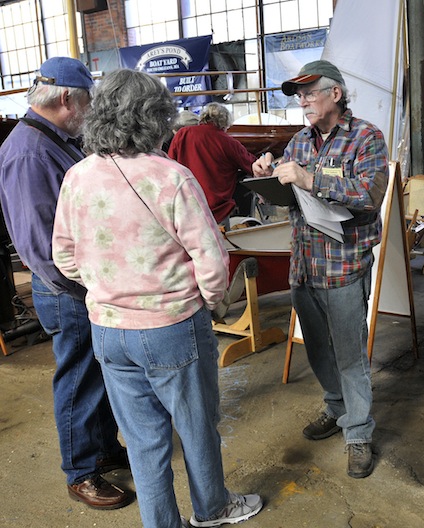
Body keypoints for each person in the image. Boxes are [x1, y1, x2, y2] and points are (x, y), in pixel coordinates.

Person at [51, 68, 263, 528]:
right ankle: (213, 509)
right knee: (196, 427)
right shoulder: (171, 177)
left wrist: (107, 286)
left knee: (143, 440)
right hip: (171, 326)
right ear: (156, 117)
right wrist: (209, 303)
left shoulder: (78, 176)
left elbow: (63, 258)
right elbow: (211, 258)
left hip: (108, 329)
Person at [0, 57, 133, 510]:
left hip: (80, 287)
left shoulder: (55, 140)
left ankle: (105, 449)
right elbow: (39, 246)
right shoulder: (31, 152)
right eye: (87, 102)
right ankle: (81, 472)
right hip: (66, 291)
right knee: (77, 381)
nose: (90, 110)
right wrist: (85, 290)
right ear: (65, 100)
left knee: (95, 376)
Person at [252, 60, 389, 479]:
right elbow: (288, 200)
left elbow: (370, 194)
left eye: (311, 92)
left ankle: (359, 433)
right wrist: (268, 176)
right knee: (317, 350)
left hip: (344, 266)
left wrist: (310, 179)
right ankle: (337, 408)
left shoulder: (366, 137)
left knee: (350, 355)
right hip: (305, 265)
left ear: (337, 93)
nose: (303, 100)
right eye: (298, 95)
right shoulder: (298, 141)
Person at [168, 102, 260, 228]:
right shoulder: (229, 143)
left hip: (186, 205)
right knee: (220, 244)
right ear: (225, 122)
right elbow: (253, 165)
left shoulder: (183, 133)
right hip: (216, 211)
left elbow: (169, 165)